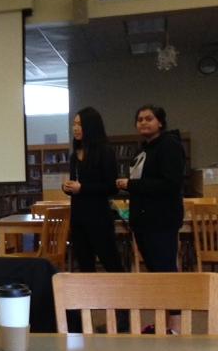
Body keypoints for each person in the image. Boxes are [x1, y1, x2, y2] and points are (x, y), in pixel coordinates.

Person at [116, 104, 185, 272]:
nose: (143, 123)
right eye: (139, 120)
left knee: (164, 269)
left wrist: (131, 184)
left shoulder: (169, 145)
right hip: (143, 221)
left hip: (161, 220)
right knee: (153, 269)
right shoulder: (143, 150)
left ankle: (170, 299)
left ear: (160, 122)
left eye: (149, 118)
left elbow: (170, 184)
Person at [62, 107, 123, 272]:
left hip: (99, 217)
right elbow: (76, 183)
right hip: (78, 217)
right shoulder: (75, 155)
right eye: (74, 124)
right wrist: (67, 187)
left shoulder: (105, 152)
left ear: (91, 126)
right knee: (85, 265)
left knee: (112, 263)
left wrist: (82, 188)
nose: (75, 128)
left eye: (80, 124)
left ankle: (123, 296)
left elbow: (112, 187)